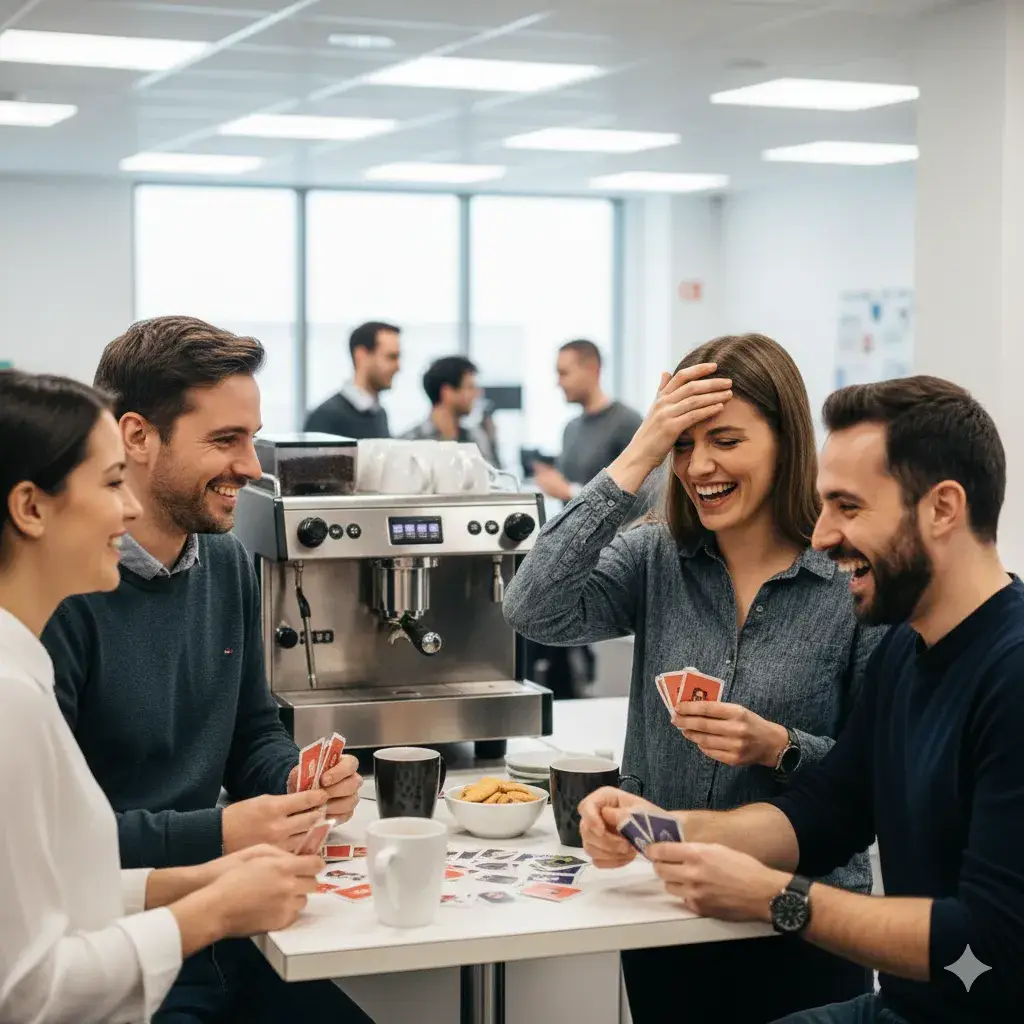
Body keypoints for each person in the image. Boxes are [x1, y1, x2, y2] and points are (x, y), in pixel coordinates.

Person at [578, 375, 1024, 1024]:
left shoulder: (1011, 676)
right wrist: (657, 827)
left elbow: (989, 945)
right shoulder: (907, 649)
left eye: (848, 507)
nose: (821, 537)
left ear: (943, 508)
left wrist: (774, 899)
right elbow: (826, 813)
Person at [504, 333, 882, 1022]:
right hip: (664, 909)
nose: (699, 465)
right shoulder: (656, 556)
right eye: (685, 443)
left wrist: (779, 746)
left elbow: (880, 774)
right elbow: (532, 607)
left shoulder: (848, 576)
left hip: (798, 918)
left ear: (786, 442)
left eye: (727, 440)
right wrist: (642, 448)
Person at [41, 317, 372, 1024]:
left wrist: (293, 779)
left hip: (231, 920)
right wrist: (222, 833)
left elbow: (249, 728)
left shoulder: (226, 561)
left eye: (252, 436)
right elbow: (56, 844)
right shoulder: (58, 597)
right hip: (115, 938)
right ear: (135, 437)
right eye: (226, 440)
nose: (253, 467)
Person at [531, 338, 643, 504]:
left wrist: (568, 491)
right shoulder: (570, 429)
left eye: (564, 373)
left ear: (592, 370)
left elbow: (638, 498)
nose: (559, 383)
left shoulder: (627, 424)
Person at [304, 321, 400, 439]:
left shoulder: (379, 414)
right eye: (391, 357)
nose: (398, 367)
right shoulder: (325, 417)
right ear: (361, 355)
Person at [403, 354, 501, 466]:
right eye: (470, 387)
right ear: (447, 392)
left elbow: (495, 478)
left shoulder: (477, 437)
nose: (477, 394)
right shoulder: (410, 442)